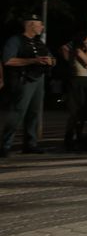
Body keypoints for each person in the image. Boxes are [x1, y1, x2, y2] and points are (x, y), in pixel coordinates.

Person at [1, 13, 55, 156]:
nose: (42, 27)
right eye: (39, 25)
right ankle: (5, 145)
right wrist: (33, 61)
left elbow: (51, 57)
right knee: (18, 113)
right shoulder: (15, 40)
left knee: (34, 114)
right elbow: (8, 60)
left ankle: (30, 144)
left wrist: (51, 61)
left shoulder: (38, 42)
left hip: (38, 80)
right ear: (31, 25)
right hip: (23, 80)